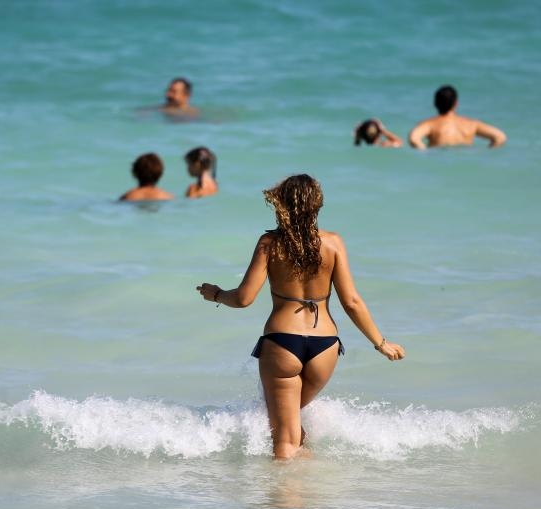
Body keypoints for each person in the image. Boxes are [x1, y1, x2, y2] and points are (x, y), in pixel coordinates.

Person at [196, 174, 405, 460]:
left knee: (283, 436)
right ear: (317, 206)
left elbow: (244, 298)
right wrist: (381, 343)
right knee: (292, 427)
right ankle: (306, 494)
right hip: (325, 347)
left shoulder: (269, 243)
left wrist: (217, 294)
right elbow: (352, 302)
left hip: (283, 344)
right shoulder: (333, 243)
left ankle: (283, 500)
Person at [408, 85, 506, 149]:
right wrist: (486, 155)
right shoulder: (472, 124)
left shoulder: (429, 124)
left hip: (440, 164)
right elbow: (500, 137)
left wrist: (426, 153)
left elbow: (414, 138)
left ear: (435, 103)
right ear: (456, 104)